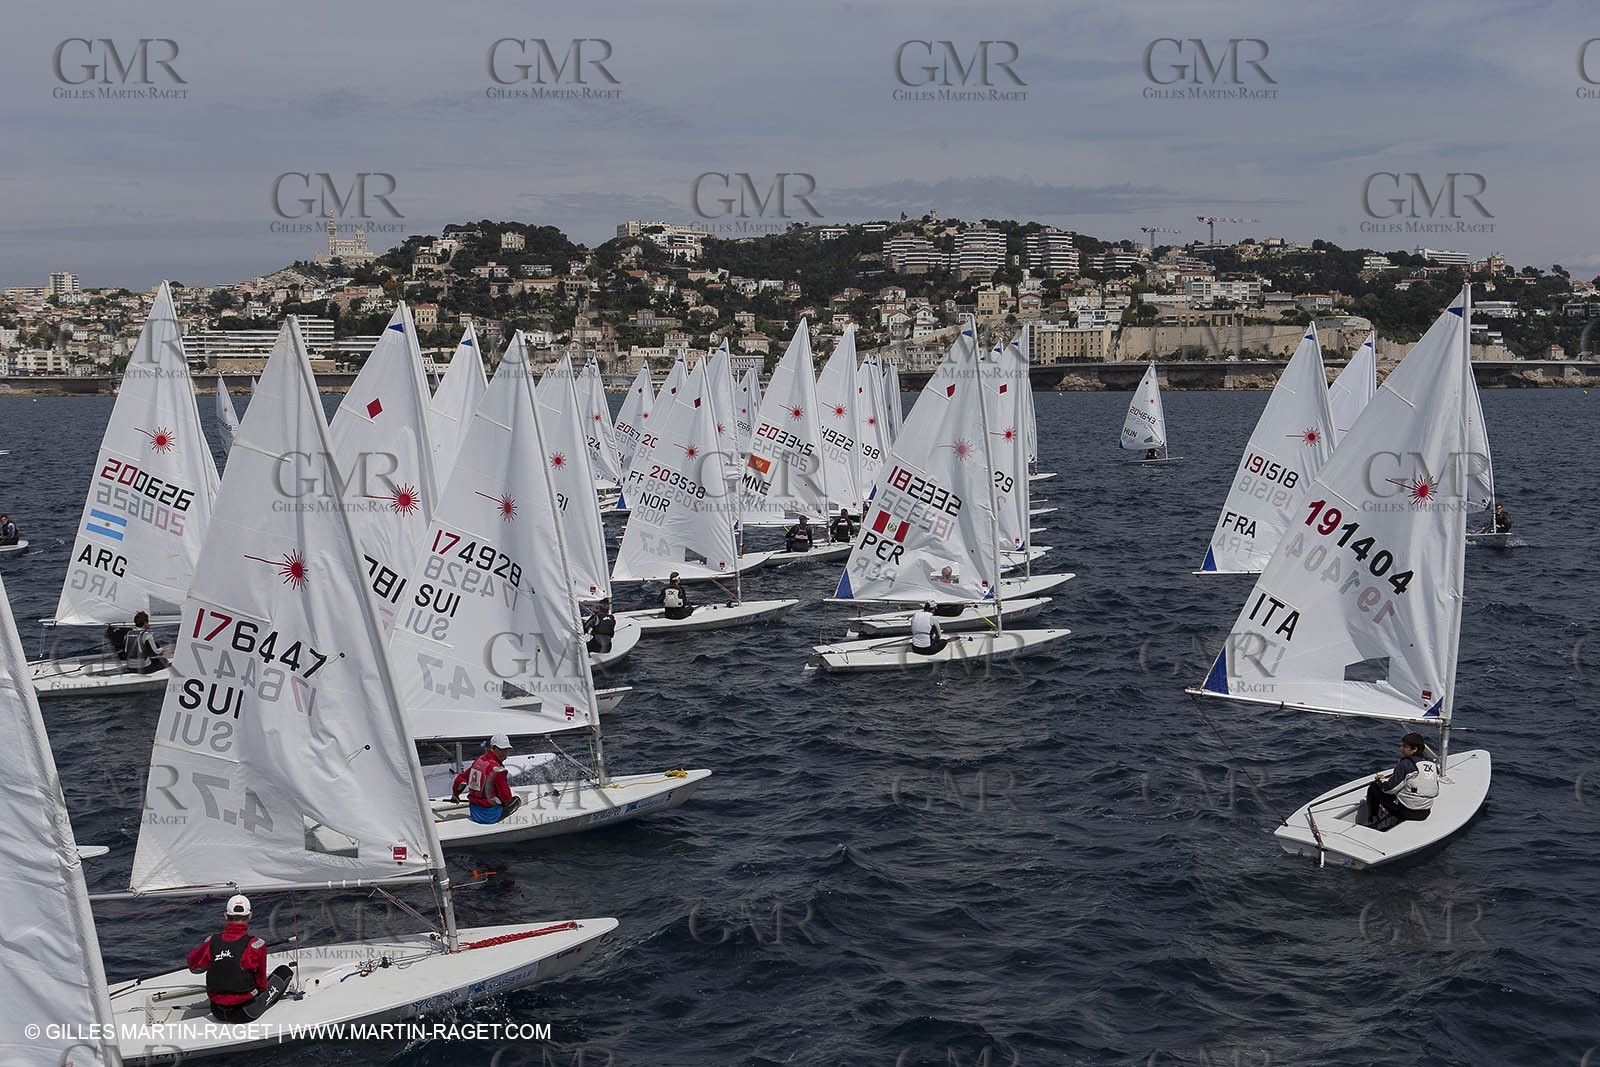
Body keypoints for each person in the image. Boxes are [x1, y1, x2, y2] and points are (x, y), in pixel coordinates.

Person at [186, 895, 294, 1022]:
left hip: (217, 1011)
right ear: (250, 916)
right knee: (284, 971)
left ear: (226, 916)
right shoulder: (257, 945)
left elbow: (193, 966)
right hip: (246, 1013)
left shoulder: (211, 942)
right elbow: (262, 985)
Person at [1365, 732, 1438, 829]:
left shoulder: (1405, 764)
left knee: (1374, 787)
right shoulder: (1432, 765)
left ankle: (1374, 819)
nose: (1401, 749)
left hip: (1408, 812)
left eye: (1404, 746)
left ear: (1414, 749)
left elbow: (1390, 789)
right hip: (1425, 812)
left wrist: (1380, 782)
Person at [451, 733, 523, 824]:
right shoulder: (498, 770)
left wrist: (455, 795)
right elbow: (506, 797)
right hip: (490, 816)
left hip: (474, 812)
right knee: (516, 800)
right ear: (492, 748)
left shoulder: (479, 761)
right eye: (500, 750)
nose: (504, 753)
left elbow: (461, 779)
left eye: (506, 750)